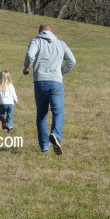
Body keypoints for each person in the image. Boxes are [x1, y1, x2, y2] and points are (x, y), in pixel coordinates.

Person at [23, 24, 75, 155]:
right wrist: (61, 72)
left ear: (39, 32)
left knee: (42, 114)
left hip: (40, 81)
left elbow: (30, 55)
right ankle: (55, 134)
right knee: (58, 112)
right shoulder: (61, 43)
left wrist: (26, 67)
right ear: (53, 31)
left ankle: (44, 146)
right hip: (56, 82)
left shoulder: (36, 41)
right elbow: (72, 61)